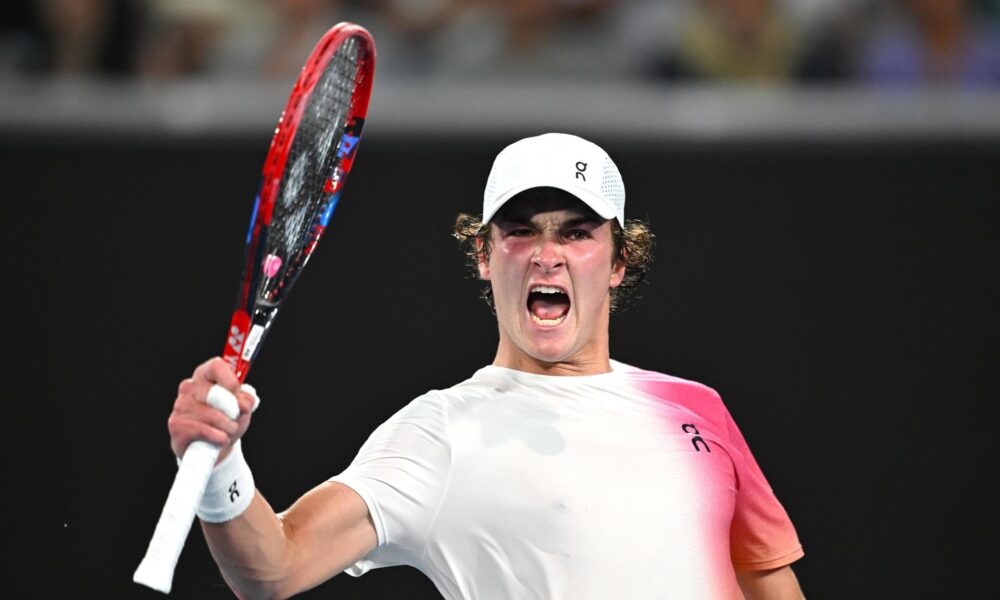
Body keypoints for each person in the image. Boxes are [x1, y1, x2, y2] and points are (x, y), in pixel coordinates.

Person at [168, 133, 805, 598]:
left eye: (577, 233)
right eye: (521, 231)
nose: (547, 256)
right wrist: (219, 466)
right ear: (483, 254)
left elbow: (766, 581)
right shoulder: (441, 432)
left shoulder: (697, 409)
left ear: (618, 262)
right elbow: (274, 567)